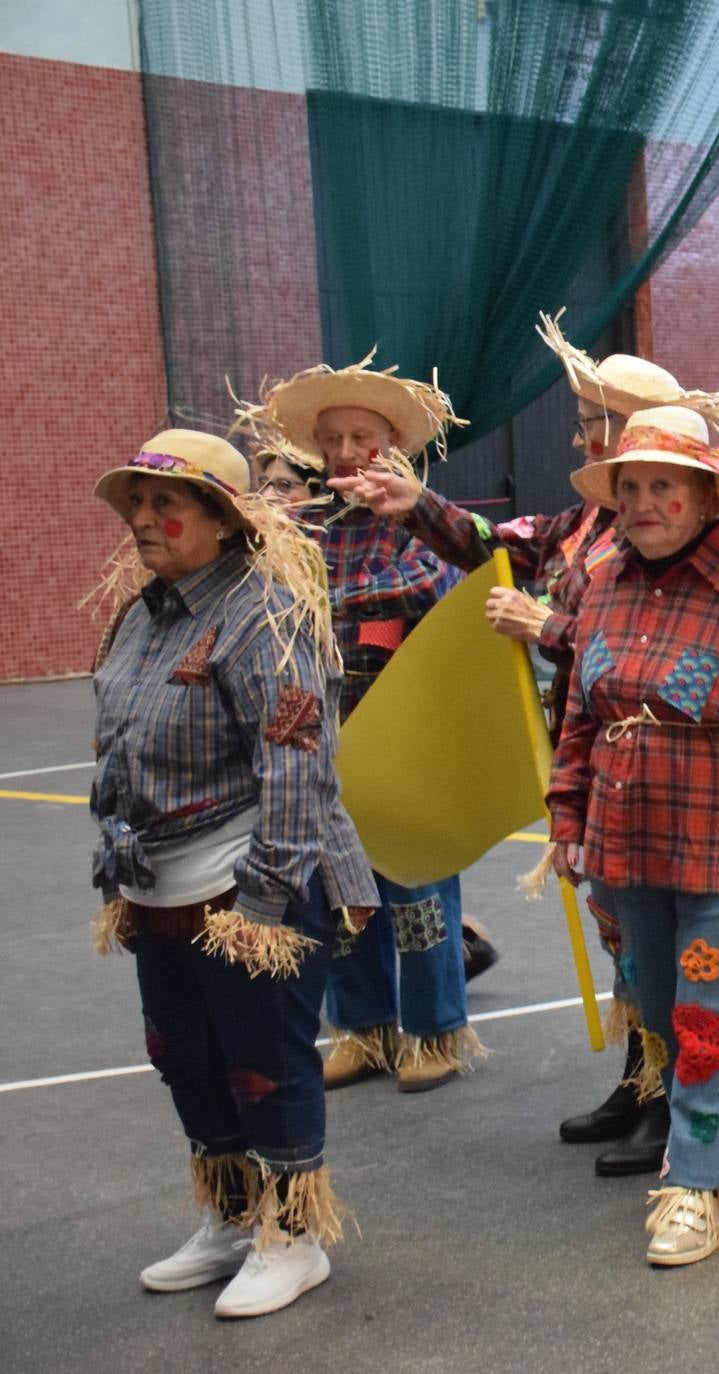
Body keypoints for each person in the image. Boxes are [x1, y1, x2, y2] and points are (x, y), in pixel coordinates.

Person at [324, 318, 719, 1170]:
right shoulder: (584, 525)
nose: (587, 437)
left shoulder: (673, 536)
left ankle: (680, 1102)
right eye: (586, 420)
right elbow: (496, 549)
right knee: (625, 932)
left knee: (664, 942)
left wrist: (554, 629)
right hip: (598, 766)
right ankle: (643, 1080)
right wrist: (419, 507)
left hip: (674, 773)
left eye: (603, 422)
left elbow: (672, 659)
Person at [88, 430, 379, 1318]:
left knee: (262, 1058)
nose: (144, 519)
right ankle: (232, 1212)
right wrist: (117, 863)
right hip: (159, 885)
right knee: (182, 1055)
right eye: (135, 503)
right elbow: (114, 744)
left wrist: (262, 903)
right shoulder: (143, 613)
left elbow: (296, 764)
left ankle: (292, 1236)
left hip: (256, 880)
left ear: (221, 518)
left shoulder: (268, 615)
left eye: (163, 503)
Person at [546, 404, 719, 1266]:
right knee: (668, 1018)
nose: (641, 503)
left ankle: (707, 1188)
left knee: (712, 1021)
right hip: (626, 854)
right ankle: (713, 1143)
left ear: (709, 497)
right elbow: (579, 719)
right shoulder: (603, 586)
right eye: (628, 487)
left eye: (662, 485)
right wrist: (566, 813)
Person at [253, 357, 482, 1094]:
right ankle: (363, 1028)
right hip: (328, 745)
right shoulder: (305, 529)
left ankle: (434, 1029)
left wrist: (338, 605)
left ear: (394, 445)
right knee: (342, 900)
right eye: (334, 438)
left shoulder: (421, 521)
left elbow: (441, 591)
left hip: (409, 741)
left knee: (416, 895)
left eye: (363, 436)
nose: (348, 452)